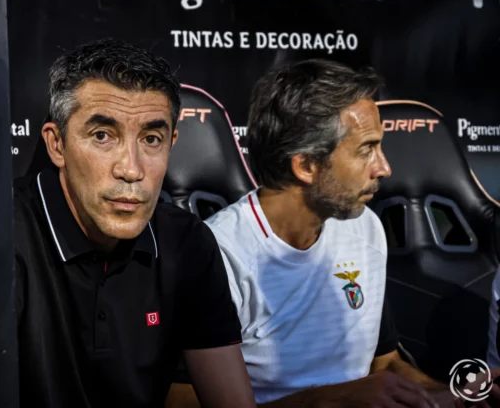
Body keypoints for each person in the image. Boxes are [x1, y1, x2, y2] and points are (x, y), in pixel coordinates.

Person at [179, 59, 474, 407]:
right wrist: (332, 399)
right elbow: (180, 401)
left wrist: (460, 396)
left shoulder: (365, 226)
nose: (384, 167)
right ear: (306, 165)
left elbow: (385, 364)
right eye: (366, 149)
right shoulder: (219, 254)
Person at [12, 38, 257, 408]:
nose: (131, 169)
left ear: (172, 143)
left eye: (151, 139)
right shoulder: (1, 237)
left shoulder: (187, 242)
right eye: (102, 136)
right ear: (57, 144)